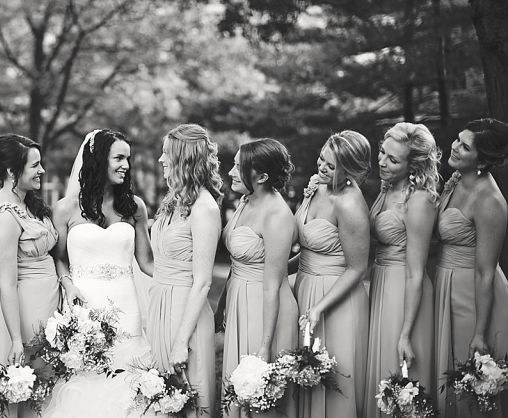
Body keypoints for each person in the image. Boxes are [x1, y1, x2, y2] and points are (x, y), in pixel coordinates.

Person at [44, 129, 155, 418]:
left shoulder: (135, 207)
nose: (126, 166)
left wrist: (185, 279)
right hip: (86, 307)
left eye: (128, 159)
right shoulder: (66, 208)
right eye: (119, 158)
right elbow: (59, 259)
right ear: (98, 160)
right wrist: (68, 286)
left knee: (129, 381)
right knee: (89, 382)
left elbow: (147, 263)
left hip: (128, 307)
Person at [215, 139, 299, 418]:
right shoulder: (245, 200)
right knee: (238, 393)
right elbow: (237, 263)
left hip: (264, 308)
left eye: (239, 167)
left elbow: (273, 282)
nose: (231, 172)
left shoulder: (277, 215)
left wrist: (265, 344)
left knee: (259, 398)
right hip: (241, 300)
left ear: (262, 176)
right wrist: (223, 305)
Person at [363, 123, 439, 418]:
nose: (382, 162)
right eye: (383, 152)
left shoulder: (418, 199)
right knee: (382, 376)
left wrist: (406, 332)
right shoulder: (387, 187)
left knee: (401, 378)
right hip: (382, 282)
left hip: (405, 291)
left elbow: (416, 272)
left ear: (413, 166)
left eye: (393, 160)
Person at [0, 134, 60, 418]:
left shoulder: (28, 203)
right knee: (24, 391)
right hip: (22, 312)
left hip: (47, 306)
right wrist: (16, 337)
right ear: (12, 172)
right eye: (34, 166)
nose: (41, 171)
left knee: (47, 391)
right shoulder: (4, 216)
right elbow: (6, 283)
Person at [294, 130, 371, 418]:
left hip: (336, 299)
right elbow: (305, 249)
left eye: (331, 165)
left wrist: (319, 308)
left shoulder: (349, 204)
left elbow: (357, 268)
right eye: (321, 160)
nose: (321, 168)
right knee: (306, 377)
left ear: (350, 170)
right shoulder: (317, 186)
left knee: (334, 382)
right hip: (305, 286)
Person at [435, 118, 508, 418]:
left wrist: (480, 332)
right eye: (457, 139)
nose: (454, 147)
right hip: (446, 285)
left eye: (465, 147)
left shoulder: (489, 201)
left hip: (472, 296)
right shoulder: (456, 181)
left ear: (483, 159)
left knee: (470, 383)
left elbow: (486, 271)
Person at [148, 124, 222, 417]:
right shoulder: (174, 201)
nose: (160, 160)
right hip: (161, 305)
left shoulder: (205, 209)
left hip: (184, 314)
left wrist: (181, 342)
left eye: (166, 154)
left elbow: (203, 282)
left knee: (187, 397)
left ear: (184, 160)